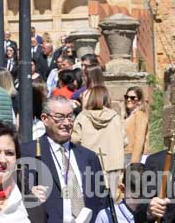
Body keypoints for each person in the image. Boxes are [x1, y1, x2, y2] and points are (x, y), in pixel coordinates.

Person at [20, 95, 109, 223]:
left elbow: (102, 199)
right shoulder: (28, 153)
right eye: (60, 117)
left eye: (70, 116)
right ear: (45, 119)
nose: (67, 123)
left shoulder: (88, 157)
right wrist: (29, 195)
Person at [71, 87, 125, 193]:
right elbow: (124, 141)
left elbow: (74, 140)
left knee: (92, 200)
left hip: (89, 166)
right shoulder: (115, 117)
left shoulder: (82, 117)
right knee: (113, 202)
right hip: (113, 166)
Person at [122, 86, 148, 165]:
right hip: (125, 154)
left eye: (132, 98)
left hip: (132, 155)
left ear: (139, 101)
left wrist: (134, 162)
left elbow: (139, 140)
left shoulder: (140, 115)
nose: (128, 99)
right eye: (127, 97)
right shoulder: (129, 116)